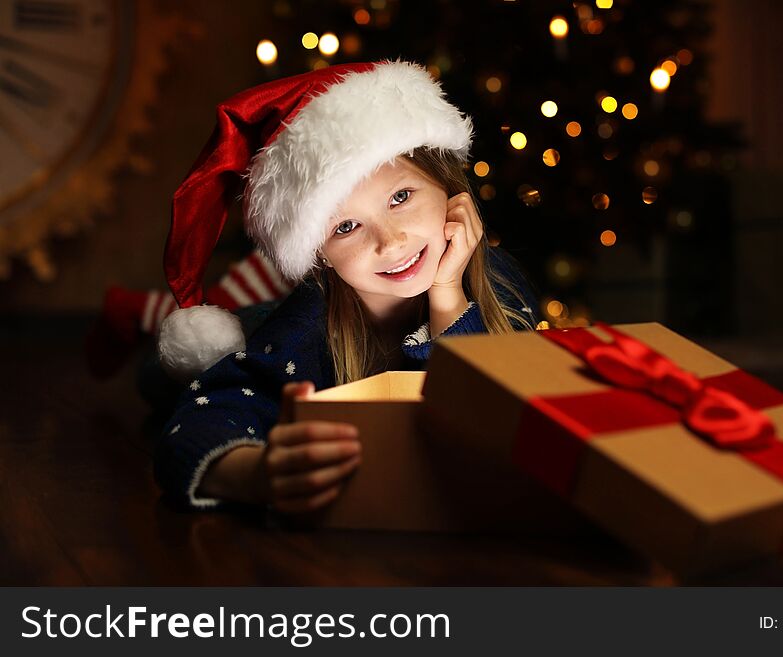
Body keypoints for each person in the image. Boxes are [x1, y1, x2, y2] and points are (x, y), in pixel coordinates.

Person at [154, 61, 539, 513]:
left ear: (449, 186)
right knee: (162, 375)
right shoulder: (302, 335)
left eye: (401, 197)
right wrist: (256, 473)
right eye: (347, 226)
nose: (390, 241)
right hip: (262, 327)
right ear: (318, 254)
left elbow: (483, 420)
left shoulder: (499, 282)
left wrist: (448, 294)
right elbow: (193, 427)